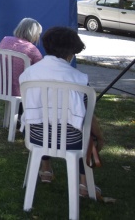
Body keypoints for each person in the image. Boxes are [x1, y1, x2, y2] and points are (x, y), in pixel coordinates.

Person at [19, 26, 105, 197]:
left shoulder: (29, 74)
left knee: (44, 119)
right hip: (71, 141)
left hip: (35, 137)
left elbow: (27, 107)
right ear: (71, 53)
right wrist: (100, 137)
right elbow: (88, 117)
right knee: (87, 134)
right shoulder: (78, 79)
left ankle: (45, 169)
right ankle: (84, 183)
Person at [0, 17, 43, 97]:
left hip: (1, 86)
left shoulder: (5, 40)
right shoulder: (32, 49)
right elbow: (41, 71)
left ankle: (13, 109)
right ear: (33, 33)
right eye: (38, 34)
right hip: (21, 91)